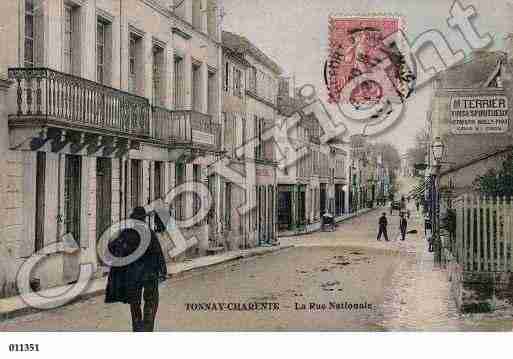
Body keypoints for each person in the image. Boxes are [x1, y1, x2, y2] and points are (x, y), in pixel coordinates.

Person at [105, 206, 167, 332]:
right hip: (149, 274)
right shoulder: (149, 232)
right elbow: (158, 253)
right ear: (144, 218)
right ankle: (148, 327)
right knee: (151, 300)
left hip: (133, 275)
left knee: (135, 302)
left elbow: (112, 249)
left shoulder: (126, 233)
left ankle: (137, 327)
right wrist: (162, 271)